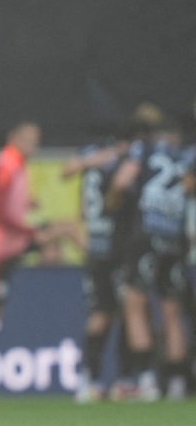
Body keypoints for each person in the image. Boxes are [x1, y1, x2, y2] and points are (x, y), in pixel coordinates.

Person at [0, 121, 79, 404]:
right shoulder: (4, 165)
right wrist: (29, 231)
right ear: (12, 138)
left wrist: (27, 207)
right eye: (27, 139)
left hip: (12, 248)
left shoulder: (17, 167)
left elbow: (8, 204)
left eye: (36, 140)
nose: (32, 146)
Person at [109, 117, 196, 402]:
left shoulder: (143, 150)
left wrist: (115, 199)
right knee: (172, 312)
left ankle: (146, 380)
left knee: (135, 302)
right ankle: (176, 384)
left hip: (147, 233)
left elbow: (122, 181)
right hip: (174, 237)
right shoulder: (187, 155)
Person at [61, 122, 136, 403]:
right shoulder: (123, 160)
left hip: (95, 245)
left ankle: (88, 380)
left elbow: (66, 171)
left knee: (100, 313)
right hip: (116, 246)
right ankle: (125, 380)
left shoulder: (92, 157)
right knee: (124, 311)